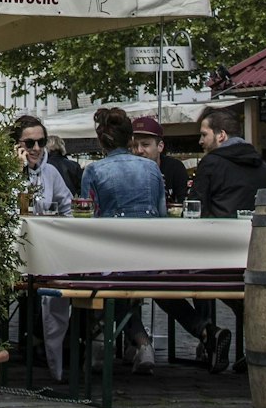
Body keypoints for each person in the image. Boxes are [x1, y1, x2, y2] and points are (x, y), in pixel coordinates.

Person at [158, 103, 266, 371]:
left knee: (161, 283)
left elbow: (195, 209)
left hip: (214, 258)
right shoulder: (263, 166)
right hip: (251, 258)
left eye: (204, 134)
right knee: (239, 297)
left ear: (221, 135)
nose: (200, 141)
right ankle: (254, 351)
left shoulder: (211, 163)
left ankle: (207, 332)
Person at [80, 106, 165, 373]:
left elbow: (88, 216)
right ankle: (141, 345)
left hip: (111, 256)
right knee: (123, 285)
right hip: (149, 258)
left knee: (98, 281)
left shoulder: (93, 171)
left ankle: (102, 344)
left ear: (101, 141)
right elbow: (162, 215)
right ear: (130, 139)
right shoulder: (151, 169)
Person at [13, 115, 73, 380]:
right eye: (30, 143)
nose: (36, 148)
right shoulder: (7, 172)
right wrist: (18, 173)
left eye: (41, 141)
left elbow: (67, 207)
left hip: (47, 249)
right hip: (14, 251)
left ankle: (53, 355)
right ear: (17, 145)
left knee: (60, 287)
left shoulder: (51, 173)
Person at [130, 114, 190, 205]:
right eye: (134, 145)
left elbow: (183, 203)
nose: (139, 150)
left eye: (145, 145)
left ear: (160, 146)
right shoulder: (126, 172)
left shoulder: (175, 168)